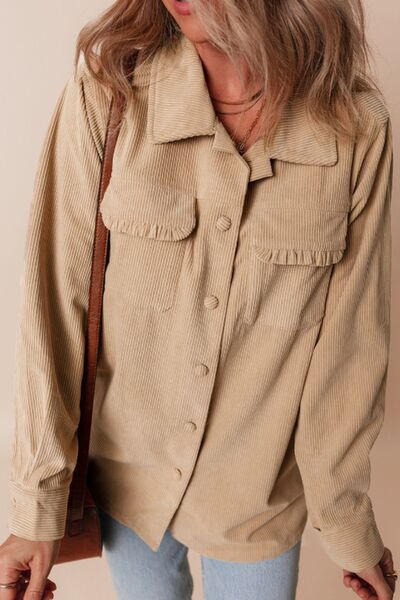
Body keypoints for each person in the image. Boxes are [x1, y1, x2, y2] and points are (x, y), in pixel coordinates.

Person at [0, 0, 397, 599]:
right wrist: (37, 507)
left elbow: (350, 348)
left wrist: (347, 524)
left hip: (257, 504)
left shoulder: (355, 127)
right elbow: (54, 307)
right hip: (127, 488)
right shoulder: (110, 93)